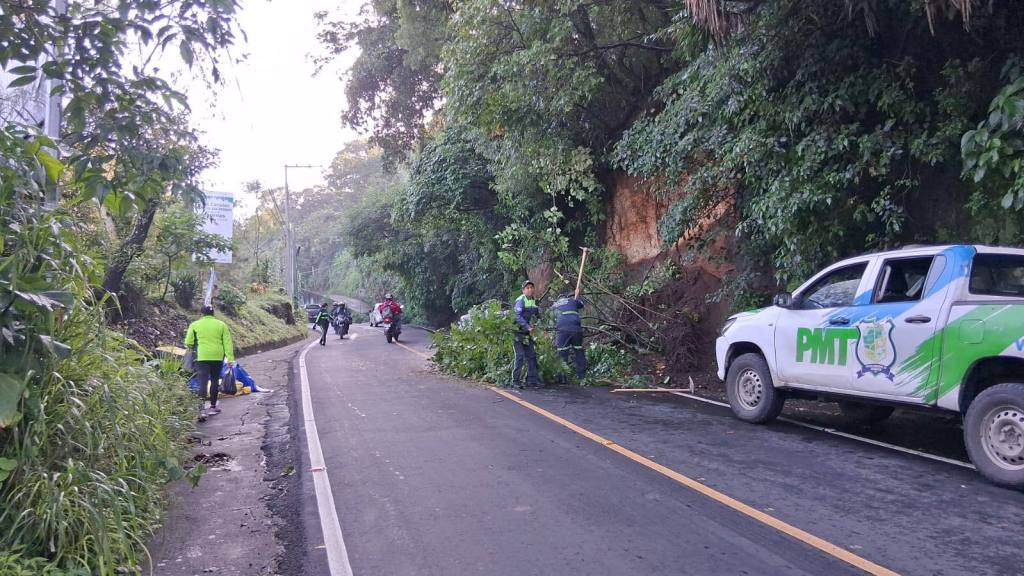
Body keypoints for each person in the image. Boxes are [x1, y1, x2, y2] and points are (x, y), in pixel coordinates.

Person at [184, 305, 235, 417]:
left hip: (201, 357)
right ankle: (213, 407)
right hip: (217, 356)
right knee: (215, 381)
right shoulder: (221, 325)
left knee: (203, 382)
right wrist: (230, 359)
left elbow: (188, 343)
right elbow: (227, 343)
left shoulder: (195, 325)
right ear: (213, 314)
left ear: (201, 314)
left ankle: (201, 410)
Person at [510, 280, 541, 388]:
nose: (530, 290)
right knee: (520, 356)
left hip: (527, 333)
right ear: (523, 290)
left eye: (531, 287)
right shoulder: (520, 300)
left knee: (532, 355)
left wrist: (543, 327)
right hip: (517, 332)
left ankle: (531, 381)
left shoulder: (534, 301)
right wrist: (528, 327)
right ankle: (515, 381)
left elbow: (538, 316)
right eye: (527, 288)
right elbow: (517, 317)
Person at [552, 292, 587, 384]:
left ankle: (562, 378)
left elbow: (551, 320)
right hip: (576, 329)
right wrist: (578, 296)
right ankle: (582, 377)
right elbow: (581, 304)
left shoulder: (554, 305)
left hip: (563, 331)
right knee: (579, 352)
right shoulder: (572, 301)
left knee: (562, 354)